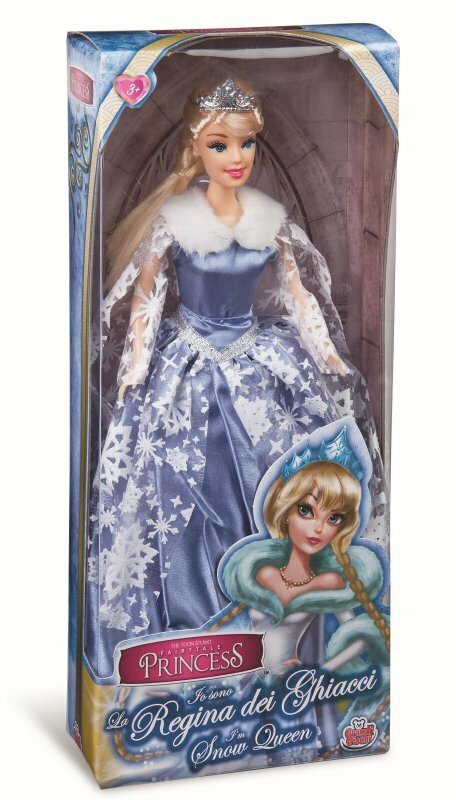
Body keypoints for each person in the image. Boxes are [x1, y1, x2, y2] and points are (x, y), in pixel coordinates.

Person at [86, 77, 386, 679]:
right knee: (177, 489)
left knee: (271, 482)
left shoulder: (269, 221)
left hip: (258, 362)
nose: (236, 157)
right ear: (196, 148)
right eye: (220, 145)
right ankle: (188, 626)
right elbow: (146, 296)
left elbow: (299, 295)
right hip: (186, 366)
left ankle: (270, 627)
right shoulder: (176, 221)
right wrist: (137, 362)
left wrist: (325, 353)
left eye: (246, 144)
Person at [221, 419, 390, 758]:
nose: (318, 528)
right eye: (306, 510)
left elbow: (359, 632)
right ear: (286, 512)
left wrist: (323, 670)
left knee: (288, 756)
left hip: (292, 689)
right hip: (247, 683)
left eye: (334, 518)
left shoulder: (330, 581)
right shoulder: (261, 571)